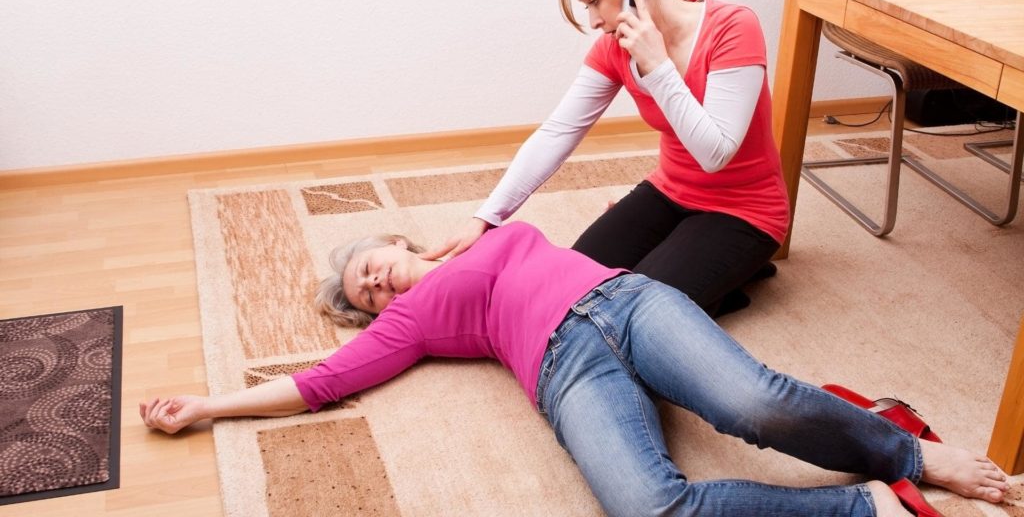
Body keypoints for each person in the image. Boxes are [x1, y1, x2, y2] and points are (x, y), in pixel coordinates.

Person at [142, 221, 1009, 516]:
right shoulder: (406, 324)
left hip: (627, 303)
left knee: (753, 405)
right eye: (364, 295)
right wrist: (208, 405)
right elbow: (317, 384)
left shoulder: (481, 231)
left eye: (373, 266)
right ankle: (865, 506)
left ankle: (907, 452)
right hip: (565, 374)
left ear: (398, 241)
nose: (376, 286)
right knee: (647, 507)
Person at [421, 0, 790, 318]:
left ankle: (726, 275)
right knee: (568, 290)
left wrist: (657, 65)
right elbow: (558, 132)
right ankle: (712, 280)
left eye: (595, 1)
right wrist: (486, 217)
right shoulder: (614, 48)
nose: (594, 21)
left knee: (629, 310)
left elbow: (715, 154)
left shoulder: (732, 26)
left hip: (743, 210)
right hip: (668, 193)